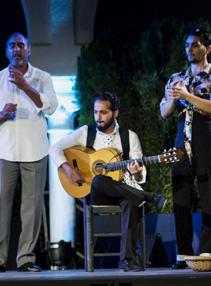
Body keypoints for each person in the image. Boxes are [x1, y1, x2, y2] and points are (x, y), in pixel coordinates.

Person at [50, 92, 166, 272]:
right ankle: (148, 197)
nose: (98, 117)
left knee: (131, 200)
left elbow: (141, 176)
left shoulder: (130, 137)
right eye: (96, 112)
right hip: (97, 193)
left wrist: (136, 173)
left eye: (103, 112)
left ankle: (127, 261)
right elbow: (55, 148)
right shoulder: (85, 133)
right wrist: (68, 169)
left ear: (115, 113)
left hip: (123, 191)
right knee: (98, 180)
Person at [0, 32, 58, 272]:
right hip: (4, 152)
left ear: (29, 50)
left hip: (35, 151)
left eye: (21, 45)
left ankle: (26, 259)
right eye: (12, 46)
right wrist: (0, 115)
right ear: (6, 51)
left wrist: (26, 86)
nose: (16, 50)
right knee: (0, 203)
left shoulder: (42, 78)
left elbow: (51, 107)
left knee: (31, 207)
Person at [159, 29, 211, 269]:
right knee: (180, 191)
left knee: (208, 191)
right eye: (187, 45)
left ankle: (208, 252)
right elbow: (164, 112)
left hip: (205, 132)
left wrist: (188, 96)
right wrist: (172, 98)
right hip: (183, 133)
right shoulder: (177, 77)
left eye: (195, 45)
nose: (189, 49)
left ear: (207, 49)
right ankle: (184, 254)